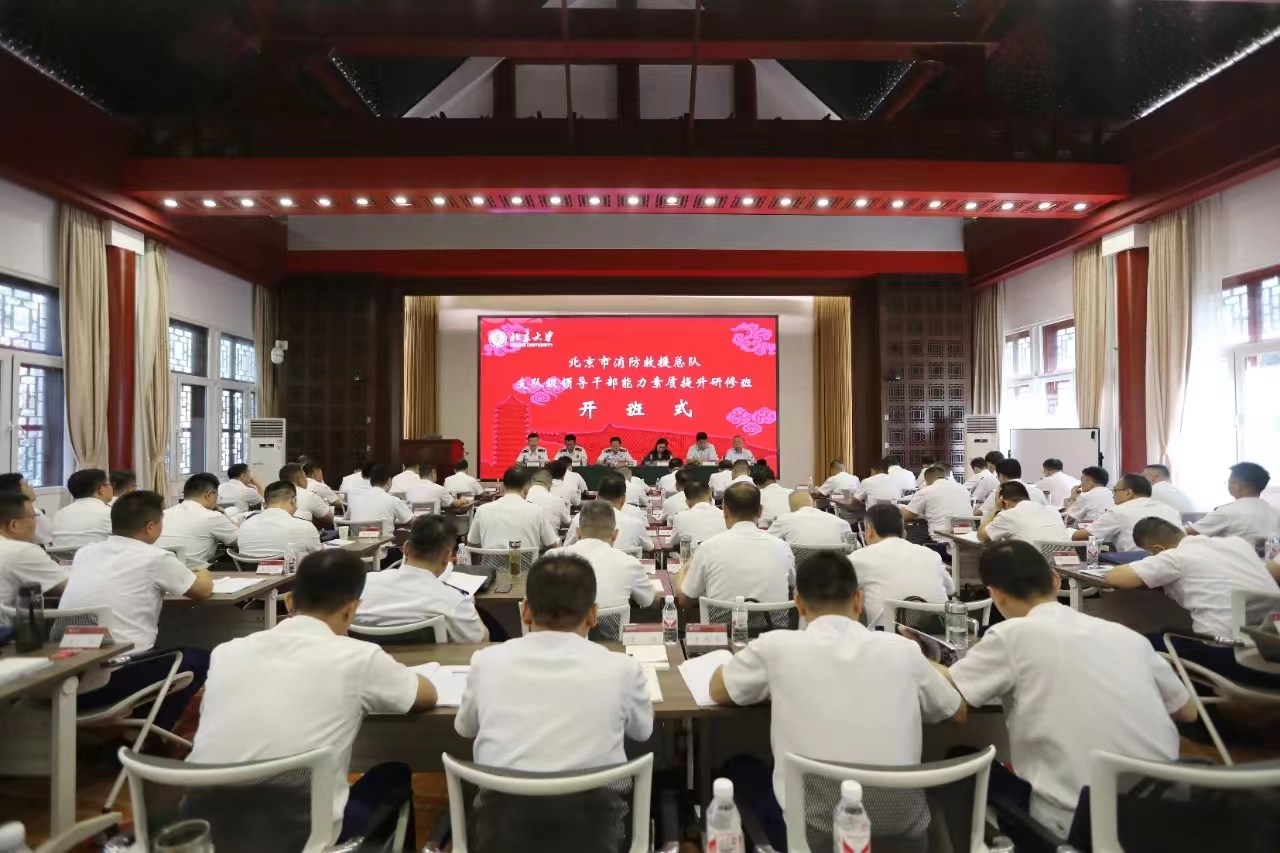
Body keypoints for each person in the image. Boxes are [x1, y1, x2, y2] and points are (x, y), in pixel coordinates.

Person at [708, 551, 963, 850]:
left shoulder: (777, 647)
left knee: (738, 768)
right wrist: (922, 658)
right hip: (902, 837)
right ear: (858, 600)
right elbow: (958, 712)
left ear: (798, 602)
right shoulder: (902, 651)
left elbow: (718, 689)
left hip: (810, 838)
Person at [940, 541, 1194, 837]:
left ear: (994, 593)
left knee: (961, 759)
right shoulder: (1127, 636)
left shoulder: (1011, 635)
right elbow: (1188, 712)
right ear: (1055, 579)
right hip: (1167, 818)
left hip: (1076, 827)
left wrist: (917, 652)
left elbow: (953, 691)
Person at [189, 549, 435, 848]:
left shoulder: (227, 653)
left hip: (206, 830)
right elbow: (425, 695)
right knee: (394, 773)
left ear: (289, 601)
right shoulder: (357, 657)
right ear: (352, 610)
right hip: (302, 836)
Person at [455, 554, 653, 770]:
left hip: (500, 792)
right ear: (592, 615)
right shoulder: (624, 670)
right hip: (597, 792)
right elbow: (643, 732)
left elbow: (465, 729)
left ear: (525, 611)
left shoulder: (485, 663)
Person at [59, 491, 215, 732]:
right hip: (113, 677)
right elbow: (202, 591)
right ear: (151, 527)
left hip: (66, 678)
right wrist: (203, 572)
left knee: (160, 650)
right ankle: (151, 734)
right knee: (202, 659)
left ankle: (134, 725)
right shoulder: (156, 557)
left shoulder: (85, 553)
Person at [1112, 516, 1280, 638]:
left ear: (1158, 549)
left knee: (1145, 641)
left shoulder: (1174, 556)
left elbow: (1119, 578)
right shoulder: (1238, 543)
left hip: (1223, 649)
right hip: (1269, 647)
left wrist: (1147, 561)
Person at [357, 516, 487, 642]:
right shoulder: (454, 600)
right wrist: (470, 605)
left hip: (370, 657)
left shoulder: (362, 584)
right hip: (433, 658)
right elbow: (481, 639)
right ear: (447, 556)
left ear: (406, 549)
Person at [676, 483, 795, 607]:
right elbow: (794, 586)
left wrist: (685, 566)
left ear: (725, 510)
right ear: (760, 511)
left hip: (723, 620)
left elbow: (684, 600)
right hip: (775, 620)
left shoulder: (707, 548)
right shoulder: (783, 547)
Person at [850, 504, 954, 625]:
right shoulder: (931, 554)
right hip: (940, 632)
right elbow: (951, 589)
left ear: (869, 530)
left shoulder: (858, 558)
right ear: (904, 533)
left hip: (886, 634)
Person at [545, 501, 655, 609]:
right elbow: (647, 600)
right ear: (615, 535)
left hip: (566, 620)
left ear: (577, 533)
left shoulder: (551, 559)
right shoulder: (630, 563)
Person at [1071, 473, 1182, 552]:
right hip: (1174, 561)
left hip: (1136, 563)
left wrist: (1068, 532)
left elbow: (1079, 536)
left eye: (1115, 491)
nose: (1113, 495)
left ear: (1128, 493)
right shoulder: (1169, 509)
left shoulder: (1119, 511)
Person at [0, 492, 66, 623]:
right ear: (14, 525)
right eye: (34, 517)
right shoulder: (21, 551)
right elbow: (68, 588)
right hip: (9, 632)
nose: (36, 523)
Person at [468, 466, 560, 551]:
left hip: (491, 564)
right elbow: (552, 545)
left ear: (503, 486)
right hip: (528, 564)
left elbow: (472, 544)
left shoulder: (482, 510)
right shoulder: (536, 511)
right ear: (527, 487)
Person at [157, 474, 240, 566]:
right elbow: (241, 541)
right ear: (209, 495)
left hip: (157, 570)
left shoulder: (162, 514)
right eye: (216, 497)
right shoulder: (212, 516)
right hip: (192, 572)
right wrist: (224, 515)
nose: (216, 501)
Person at [1188, 462, 1280, 540]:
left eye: (1230, 482)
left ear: (1238, 486)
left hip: (1233, 555)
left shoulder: (1227, 512)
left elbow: (1189, 532)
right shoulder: (1274, 512)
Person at [564, 474, 650, 553]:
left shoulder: (578, 519)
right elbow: (649, 547)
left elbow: (566, 549)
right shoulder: (636, 523)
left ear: (597, 496)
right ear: (623, 500)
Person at [237, 481, 323, 559]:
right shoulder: (305, 527)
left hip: (250, 571)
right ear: (293, 501)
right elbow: (319, 559)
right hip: (295, 571)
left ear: (264, 505)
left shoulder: (244, 526)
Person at [980, 481, 1073, 544]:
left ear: (1003, 501)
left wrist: (996, 508)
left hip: (1032, 566)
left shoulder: (1008, 515)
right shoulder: (1053, 511)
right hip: (1067, 564)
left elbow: (981, 536)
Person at [903, 465, 975, 543]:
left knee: (911, 532)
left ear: (926, 481)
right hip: (968, 536)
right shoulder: (963, 489)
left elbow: (906, 516)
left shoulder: (926, 491)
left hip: (942, 537)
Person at [51, 468, 113, 548]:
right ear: (101, 490)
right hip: (99, 555)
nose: (112, 488)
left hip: (62, 556)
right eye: (110, 484)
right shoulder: (110, 513)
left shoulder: (59, 514)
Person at [346, 465, 413, 536]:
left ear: (370, 481)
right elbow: (412, 521)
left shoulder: (354, 499)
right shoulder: (393, 500)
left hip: (356, 542)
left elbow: (346, 519)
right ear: (389, 481)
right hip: (384, 542)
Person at [767, 491, 852, 546]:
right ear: (814, 504)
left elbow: (767, 541)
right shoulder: (840, 522)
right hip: (834, 567)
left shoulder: (785, 519)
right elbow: (854, 547)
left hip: (798, 568)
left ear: (791, 509)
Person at [978, 459, 1050, 514]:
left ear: (1001, 476)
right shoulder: (1037, 492)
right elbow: (1045, 511)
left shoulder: (998, 493)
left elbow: (980, 512)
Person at [0, 472, 54, 545]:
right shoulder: (33, 514)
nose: (31, 488)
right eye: (27, 486)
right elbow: (50, 539)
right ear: (17, 493)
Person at [671, 481, 728, 548]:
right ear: (710, 495)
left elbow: (673, 542)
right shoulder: (725, 515)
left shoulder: (679, 517)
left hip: (692, 553)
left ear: (687, 502)